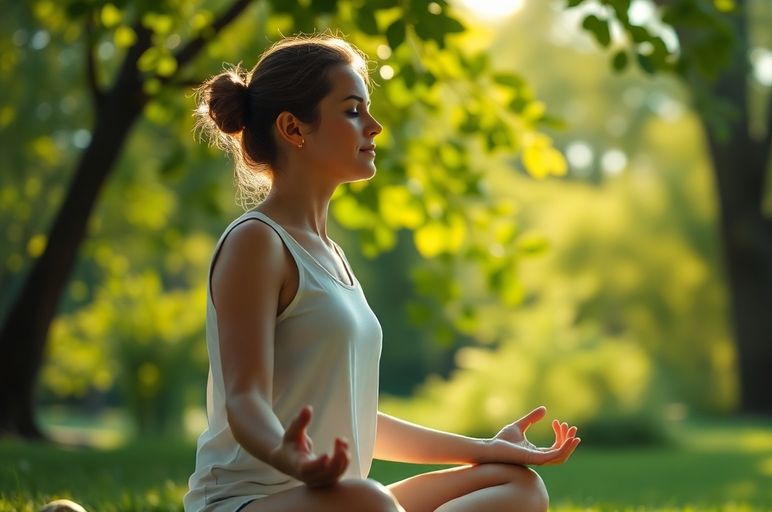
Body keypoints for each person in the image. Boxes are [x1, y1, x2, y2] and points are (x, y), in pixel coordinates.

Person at [183, 34, 581, 512]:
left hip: (339, 500)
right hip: (247, 503)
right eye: (352, 110)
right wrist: (291, 458)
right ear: (293, 128)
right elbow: (244, 400)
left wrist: (487, 449)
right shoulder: (257, 242)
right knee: (367, 501)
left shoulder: (331, 255)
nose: (375, 126)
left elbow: (358, 420)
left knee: (518, 485)